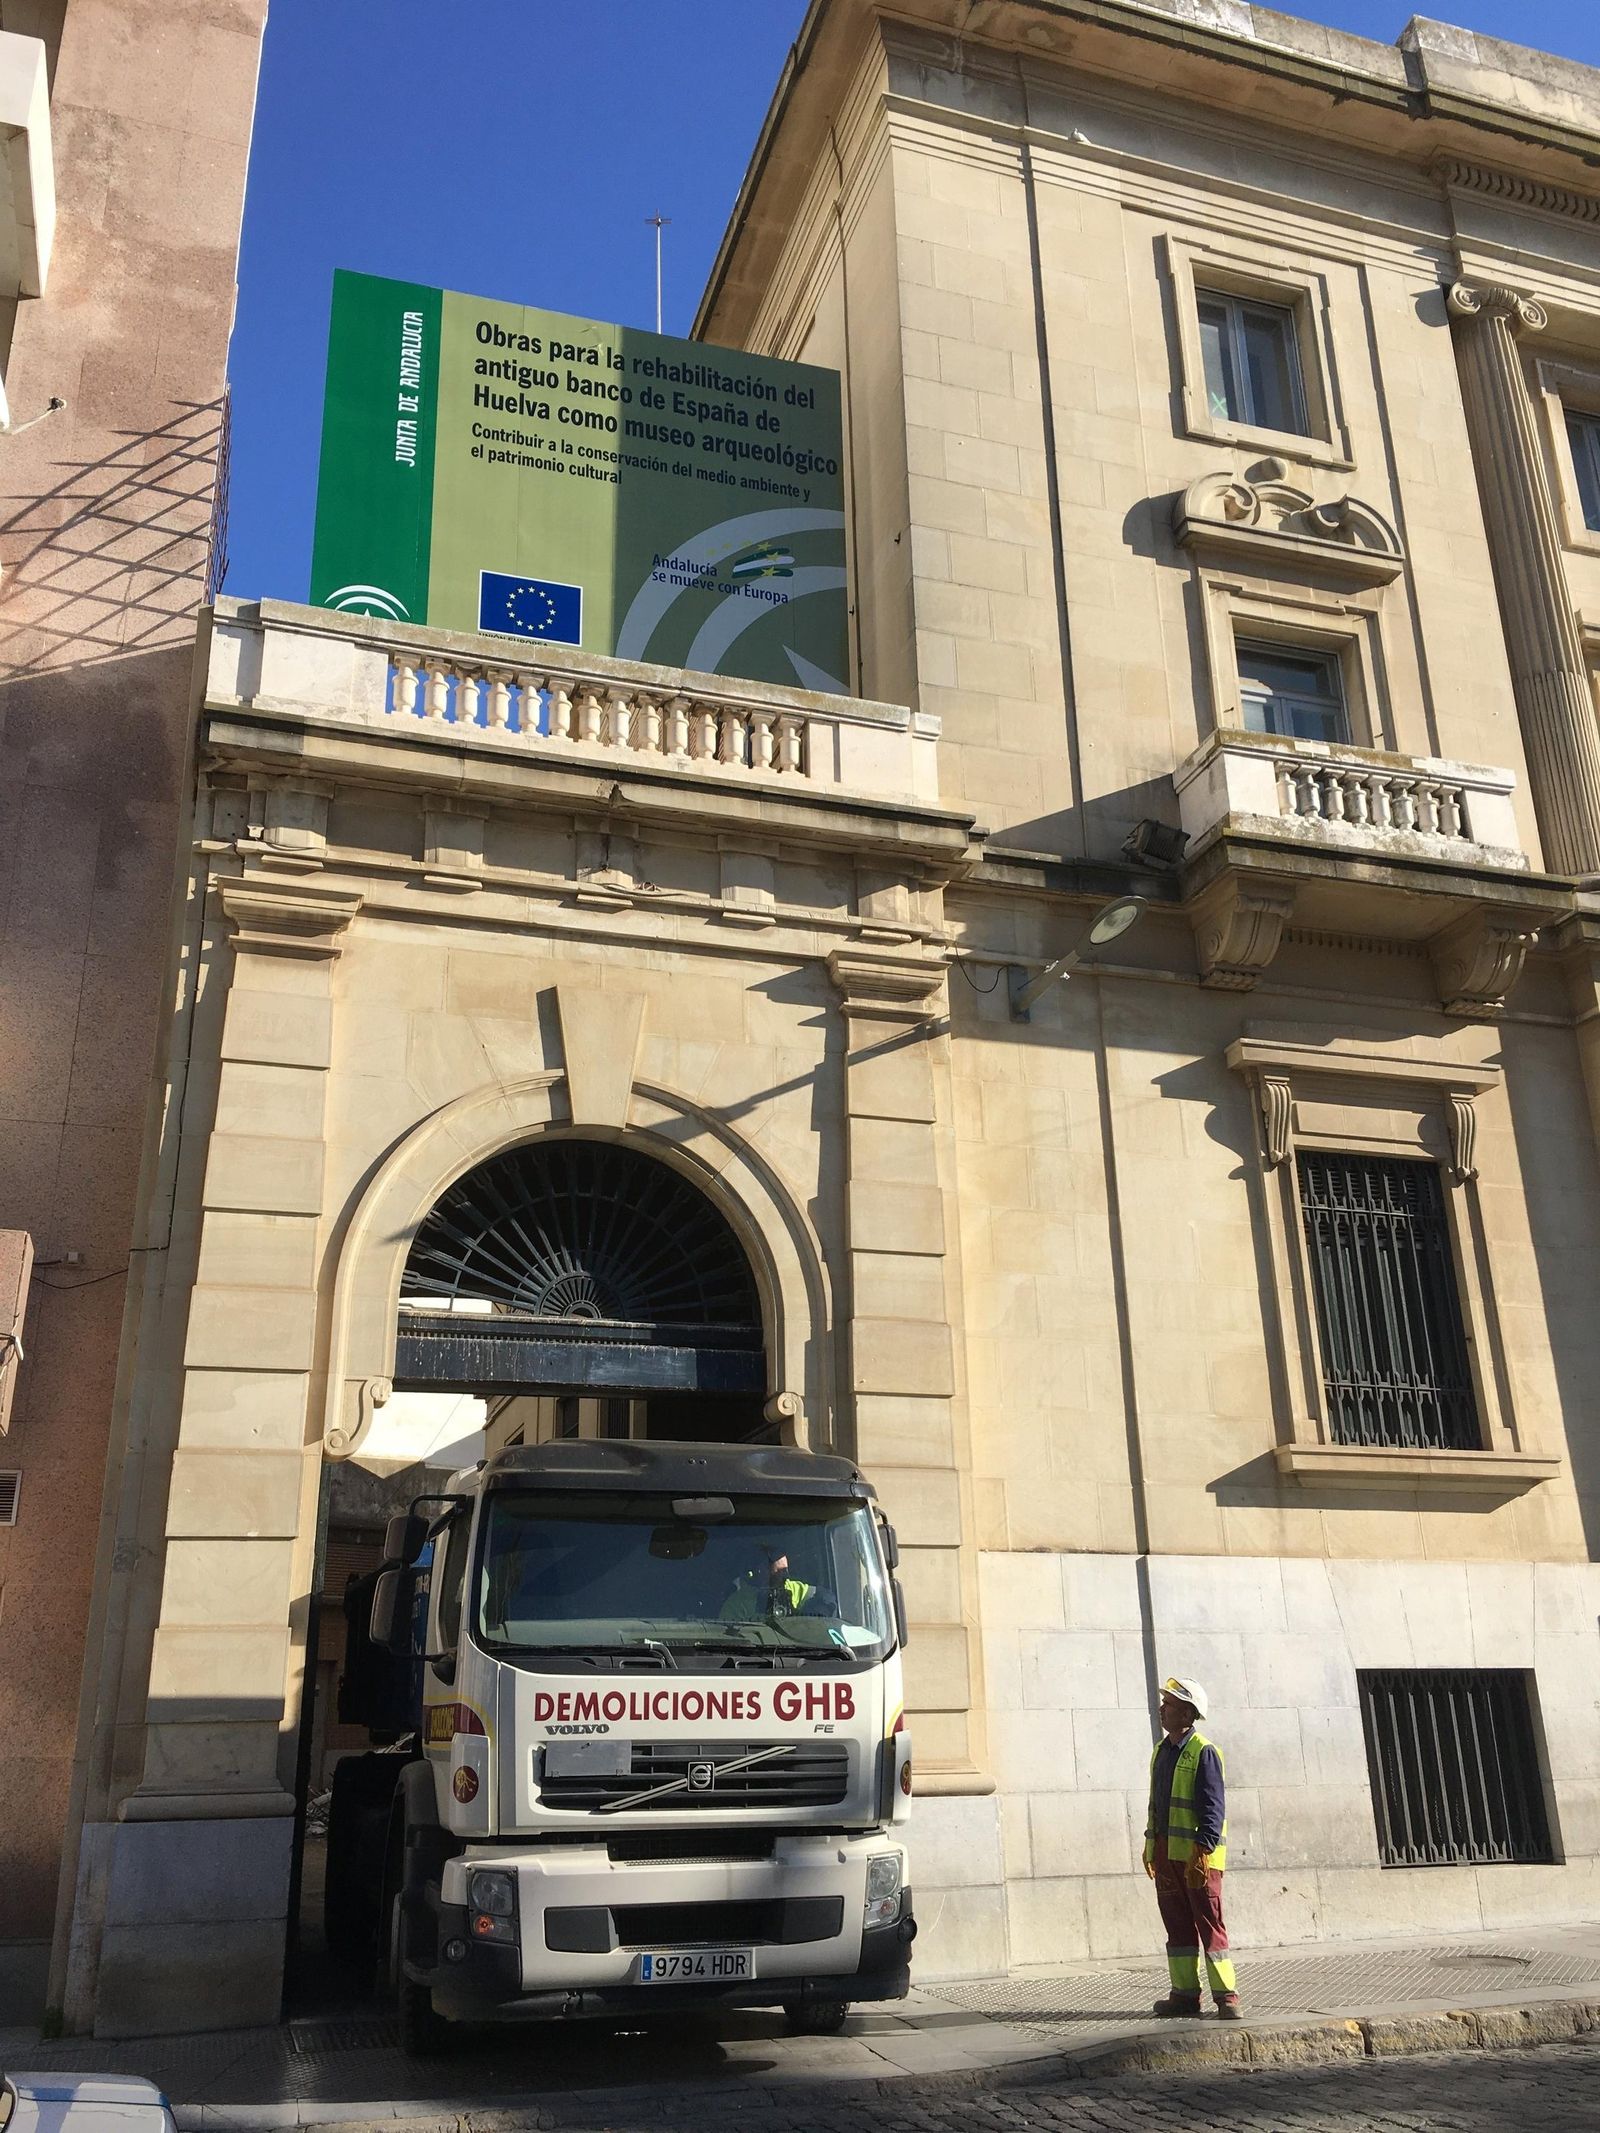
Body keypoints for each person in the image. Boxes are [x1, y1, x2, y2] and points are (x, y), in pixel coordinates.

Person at [1142, 1675, 1240, 2020]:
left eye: (1168, 1706)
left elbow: (1214, 1806)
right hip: (1168, 1855)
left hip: (1198, 1857)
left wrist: (1204, 1847)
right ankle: (1184, 1995)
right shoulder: (1161, 1751)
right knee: (1177, 1926)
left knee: (1208, 1922)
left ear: (1187, 1715)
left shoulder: (1204, 1752)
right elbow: (1157, 1804)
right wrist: (1150, 1843)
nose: (1161, 1710)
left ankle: (1226, 1997)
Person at [722, 1544, 832, 1623]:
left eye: (786, 1570)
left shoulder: (792, 1588)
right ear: (761, 1570)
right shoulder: (736, 1604)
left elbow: (826, 1597)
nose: (786, 1576)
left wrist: (815, 1612)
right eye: (780, 1571)